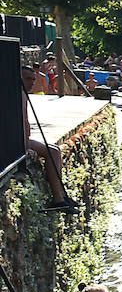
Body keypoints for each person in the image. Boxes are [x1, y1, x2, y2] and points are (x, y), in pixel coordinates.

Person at [21, 66, 77, 210]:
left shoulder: (22, 93)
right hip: (15, 141)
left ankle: (62, 195)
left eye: (33, 79)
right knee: (52, 152)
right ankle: (58, 200)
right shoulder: (19, 94)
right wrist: (26, 147)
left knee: (55, 150)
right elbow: (23, 123)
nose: (32, 83)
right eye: (27, 79)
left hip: (22, 138)